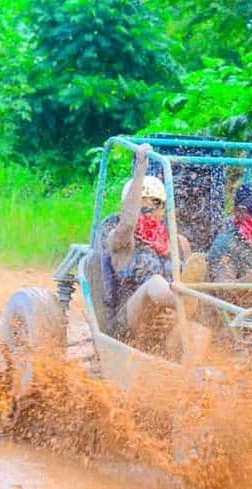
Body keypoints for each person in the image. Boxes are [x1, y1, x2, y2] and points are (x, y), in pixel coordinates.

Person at [107, 144, 207, 361]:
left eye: (156, 205)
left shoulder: (179, 243)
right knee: (154, 282)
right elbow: (127, 223)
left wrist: (178, 317)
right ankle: (176, 297)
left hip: (168, 321)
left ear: (164, 209)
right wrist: (141, 168)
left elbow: (194, 299)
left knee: (199, 332)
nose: (150, 211)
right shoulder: (121, 239)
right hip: (129, 320)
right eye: (143, 207)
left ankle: (188, 384)